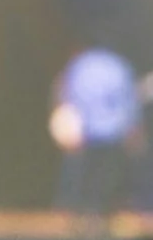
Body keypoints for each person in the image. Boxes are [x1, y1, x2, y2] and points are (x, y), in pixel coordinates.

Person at [55, 39, 141, 219]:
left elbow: (67, 96)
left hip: (86, 131)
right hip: (113, 131)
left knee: (82, 176)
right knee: (107, 177)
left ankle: (77, 214)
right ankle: (102, 213)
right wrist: (132, 129)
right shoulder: (118, 64)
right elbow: (128, 101)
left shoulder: (80, 64)